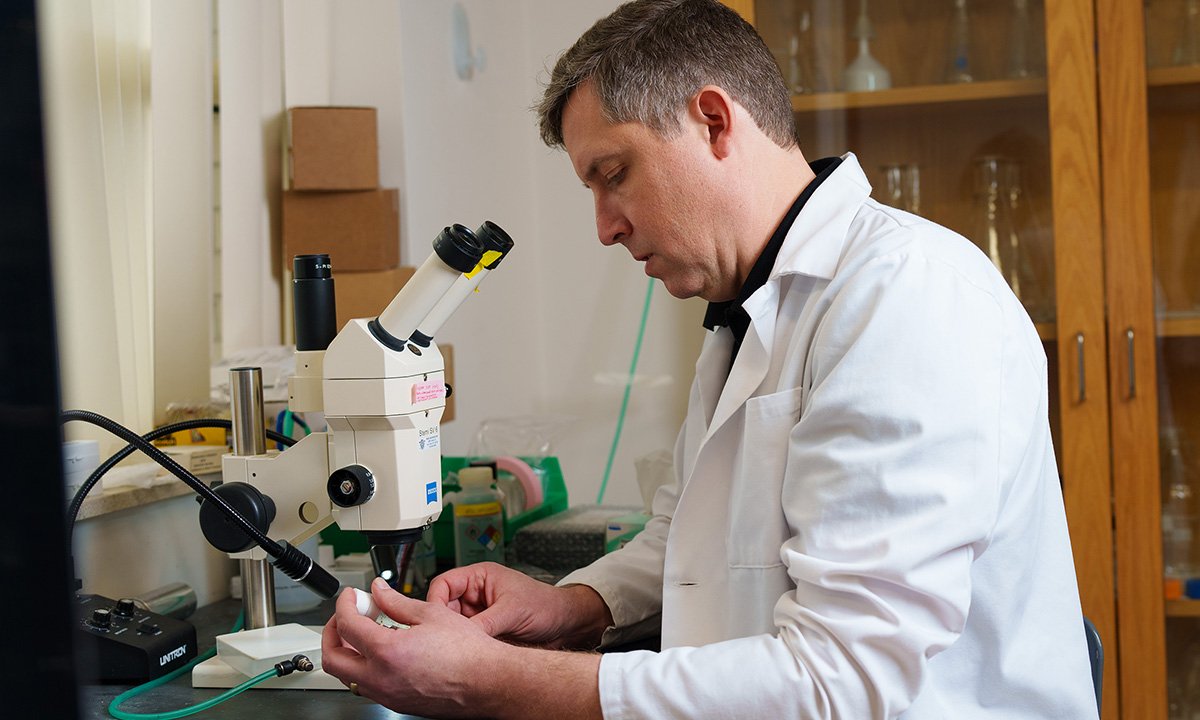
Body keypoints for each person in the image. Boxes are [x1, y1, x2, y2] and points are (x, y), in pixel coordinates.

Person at [321, 1, 1099, 717]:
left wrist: (487, 678)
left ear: (715, 120)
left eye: (614, 174)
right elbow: (689, 540)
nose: (604, 228)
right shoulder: (746, 314)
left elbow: (843, 680)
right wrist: (571, 603)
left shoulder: (905, 298)